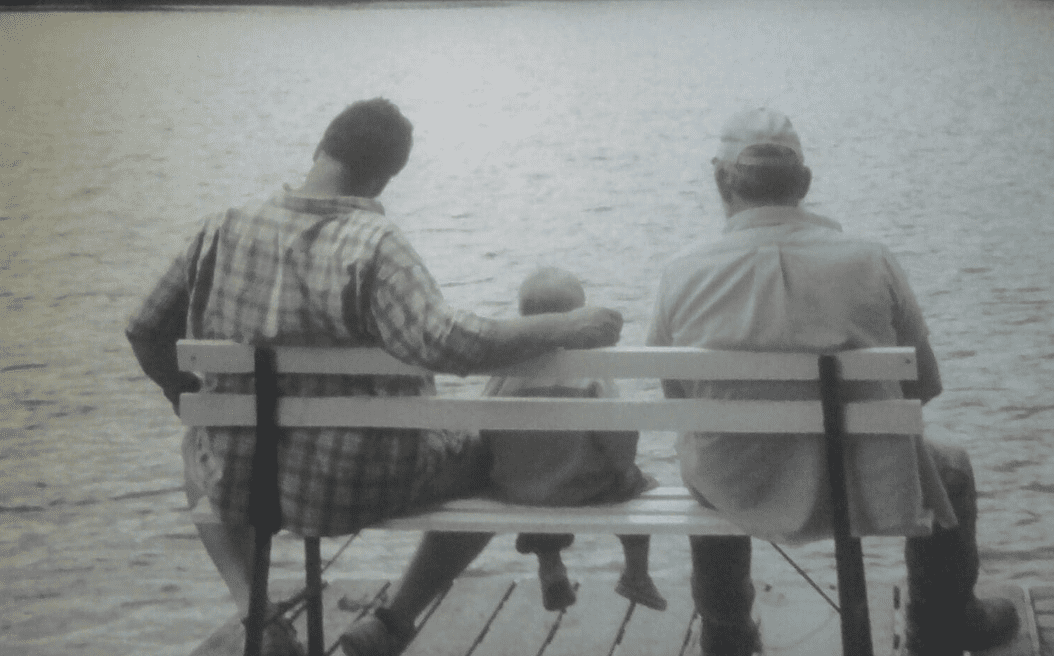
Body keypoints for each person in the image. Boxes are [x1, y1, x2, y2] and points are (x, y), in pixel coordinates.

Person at [125, 98, 623, 656]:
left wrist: (184, 394)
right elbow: (448, 344)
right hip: (363, 484)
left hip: (245, 481)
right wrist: (564, 325)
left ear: (320, 149)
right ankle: (393, 623)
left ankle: (254, 614)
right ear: (385, 179)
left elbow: (145, 329)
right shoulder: (375, 244)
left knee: (196, 439)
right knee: (491, 458)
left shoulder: (220, 230)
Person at [645, 108, 1019, 656]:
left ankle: (726, 631)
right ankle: (938, 625)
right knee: (952, 467)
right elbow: (923, 386)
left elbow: (677, 397)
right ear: (805, 183)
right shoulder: (871, 259)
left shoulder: (682, 272)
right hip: (862, 478)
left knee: (705, 458)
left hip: (736, 479)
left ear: (721, 181)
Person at [483, 267, 667, 612]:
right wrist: (624, 468)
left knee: (542, 476)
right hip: (583, 488)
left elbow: (483, 424)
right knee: (637, 486)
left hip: (516, 488)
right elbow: (619, 437)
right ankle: (636, 575)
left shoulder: (505, 366)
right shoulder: (591, 368)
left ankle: (550, 566)